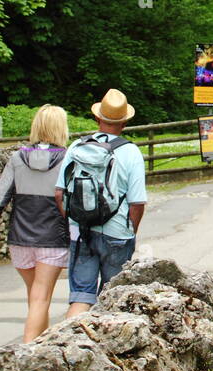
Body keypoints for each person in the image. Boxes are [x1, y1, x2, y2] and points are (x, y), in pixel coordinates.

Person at [0, 105, 70, 342]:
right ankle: (27, 350)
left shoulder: (18, 157)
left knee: (35, 297)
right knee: (41, 298)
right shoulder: (68, 158)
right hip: (52, 236)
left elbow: (1, 195)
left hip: (20, 237)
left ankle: (40, 348)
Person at [55, 89, 147, 317]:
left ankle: (68, 344)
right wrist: (130, 233)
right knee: (112, 299)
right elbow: (137, 203)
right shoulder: (131, 152)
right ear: (124, 122)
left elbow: (59, 193)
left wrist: (75, 221)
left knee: (81, 296)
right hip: (117, 233)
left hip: (82, 231)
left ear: (98, 118)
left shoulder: (77, 147)